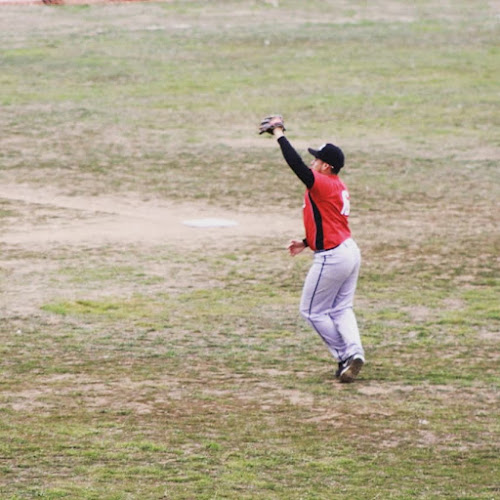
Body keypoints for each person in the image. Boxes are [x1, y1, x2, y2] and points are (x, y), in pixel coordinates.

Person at [259, 115, 365, 383]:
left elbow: (296, 166)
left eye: (317, 159)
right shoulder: (337, 185)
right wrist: (306, 242)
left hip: (333, 256)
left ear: (327, 166)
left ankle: (344, 356)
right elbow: (329, 220)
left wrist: (279, 134)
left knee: (312, 311)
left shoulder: (323, 182)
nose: (312, 162)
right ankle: (355, 352)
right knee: (341, 308)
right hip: (349, 250)